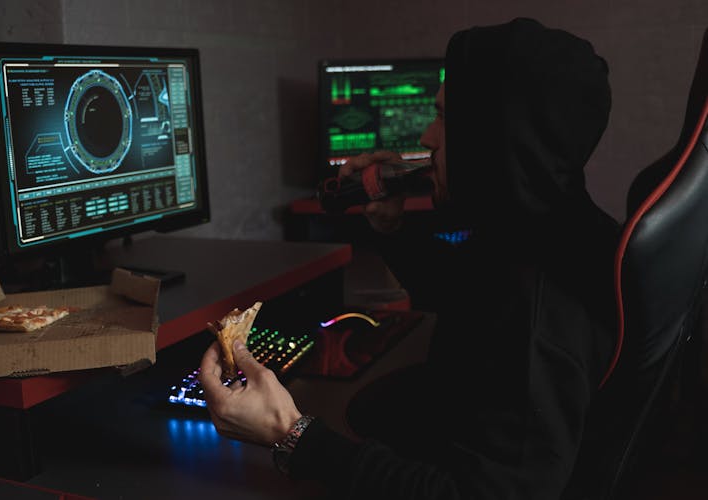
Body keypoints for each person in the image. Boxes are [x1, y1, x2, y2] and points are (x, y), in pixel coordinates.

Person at [199, 17, 620, 499]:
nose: (425, 137)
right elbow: (468, 293)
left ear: (493, 134)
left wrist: (290, 433)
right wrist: (392, 226)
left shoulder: (539, 310)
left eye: (443, 117)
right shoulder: (548, 224)